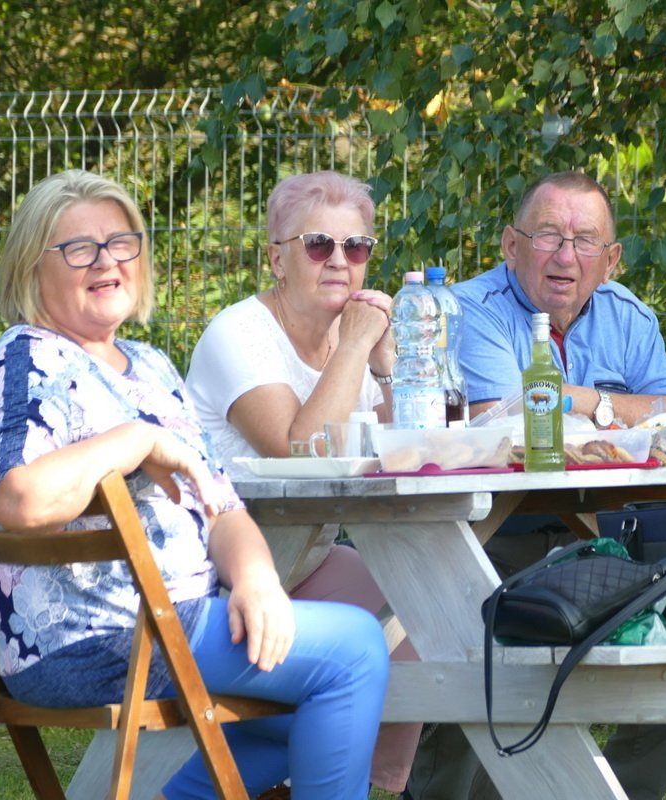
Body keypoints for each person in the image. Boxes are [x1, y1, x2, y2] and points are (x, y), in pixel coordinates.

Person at [0, 169, 388, 799]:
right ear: (32, 267)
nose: (106, 261)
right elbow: (19, 500)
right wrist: (136, 440)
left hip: (165, 624)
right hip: (98, 638)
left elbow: (222, 506)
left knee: (304, 706)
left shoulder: (149, 365)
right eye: (79, 248)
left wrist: (258, 582)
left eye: (121, 243)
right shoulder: (29, 357)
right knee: (353, 651)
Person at [403, 171, 666, 800]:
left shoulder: (630, 318)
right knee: (473, 644)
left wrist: (587, 401)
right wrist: (619, 414)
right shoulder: (470, 313)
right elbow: (521, 428)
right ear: (511, 245)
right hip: (495, 533)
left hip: (608, 533)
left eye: (585, 241)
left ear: (609, 260)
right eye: (549, 236)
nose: (566, 256)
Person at [185, 170, 422, 793]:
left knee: (426, 608)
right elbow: (300, 451)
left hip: (301, 555)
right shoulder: (240, 333)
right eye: (320, 245)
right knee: (370, 641)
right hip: (220, 573)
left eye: (358, 248)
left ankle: (366, 783)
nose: (341, 262)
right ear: (277, 258)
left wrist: (389, 367)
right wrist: (354, 347)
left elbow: (409, 448)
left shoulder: (352, 341)